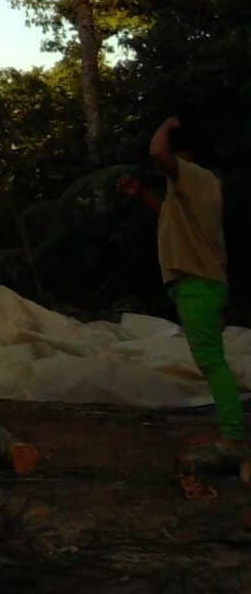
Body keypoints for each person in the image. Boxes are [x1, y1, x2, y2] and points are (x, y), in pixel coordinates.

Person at [120, 116, 243, 457]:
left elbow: (158, 153)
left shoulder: (195, 176)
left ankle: (234, 436)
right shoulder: (191, 187)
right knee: (211, 359)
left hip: (198, 284)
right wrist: (143, 195)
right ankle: (231, 429)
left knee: (211, 362)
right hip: (196, 283)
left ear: (184, 154)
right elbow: (170, 216)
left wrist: (166, 125)